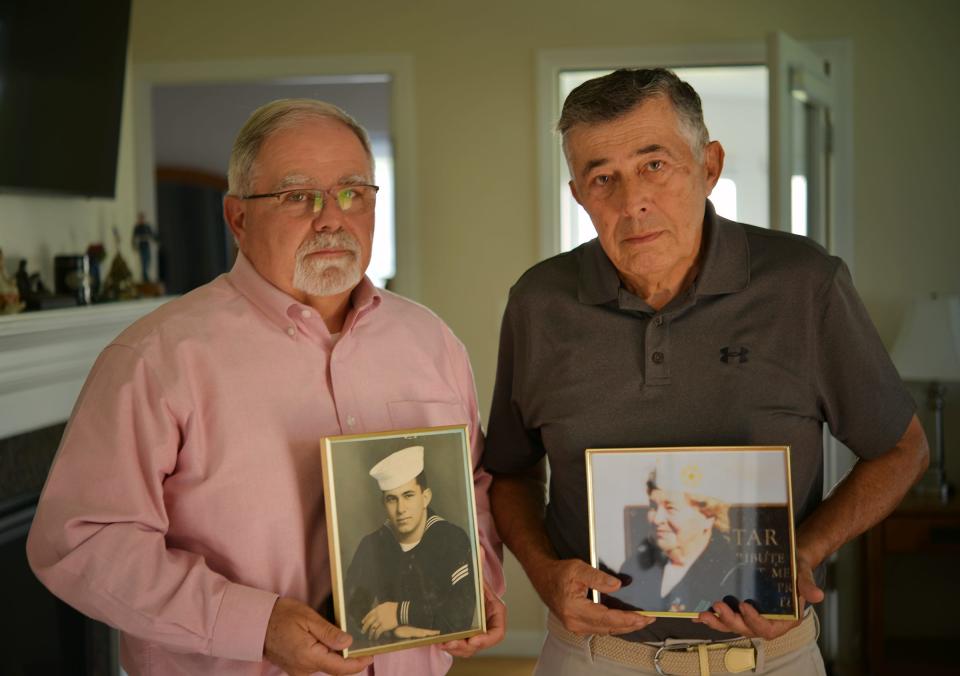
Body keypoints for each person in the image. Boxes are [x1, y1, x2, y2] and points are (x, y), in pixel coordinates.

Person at [27, 99, 505, 676]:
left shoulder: (432, 342)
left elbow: (473, 485)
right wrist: (252, 624)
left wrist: (474, 582)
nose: (331, 218)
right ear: (237, 218)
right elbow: (81, 544)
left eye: (352, 192)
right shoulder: (156, 359)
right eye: (297, 196)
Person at [483, 68, 929, 675]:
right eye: (602, 178)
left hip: (768, 657)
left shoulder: (805, 285)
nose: (631, 200)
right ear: (579, 195)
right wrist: (541, 574)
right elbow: (509, 473)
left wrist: (804, 554)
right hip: (592, 658)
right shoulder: (538, 303)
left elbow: (902, 449)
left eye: (654, 165)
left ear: (710, 166)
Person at [345, 445, 477, 650]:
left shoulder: (451, 539)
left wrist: (398, 613)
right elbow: (348, 613)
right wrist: (395, 632)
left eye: (408, 495)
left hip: (436, 655)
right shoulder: (372, 544)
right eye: (392, 499)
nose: (401, 509)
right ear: (384, 503)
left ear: (425, 497)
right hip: (385, 656)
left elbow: (461, 616)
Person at [609, 459, 740, 616]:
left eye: (671, 508)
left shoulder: (733, 576)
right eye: (653, 506)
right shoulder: (634, 567)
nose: (657, 519)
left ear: (708, 516)